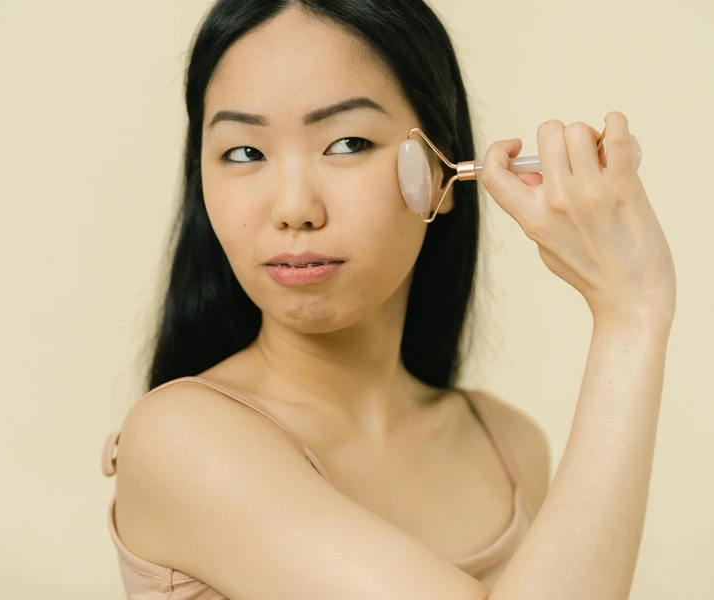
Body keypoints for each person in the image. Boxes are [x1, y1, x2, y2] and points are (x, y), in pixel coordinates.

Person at [100, 1, 677, 598]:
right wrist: (630, 314)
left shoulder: (508, 444)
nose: (295, 209)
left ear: (441, 169)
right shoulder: (183, 440)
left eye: (347, 143)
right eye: (244, 153)